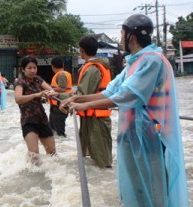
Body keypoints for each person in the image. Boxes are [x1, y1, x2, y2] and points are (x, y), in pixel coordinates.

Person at [60, 14, 189, 207]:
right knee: (136, 188)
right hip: (132, 134)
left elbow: (129, 95)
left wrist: (83, 105)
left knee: (152, 189)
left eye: (122, 33)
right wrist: (77, 98)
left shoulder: (153, 60)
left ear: (132, 36)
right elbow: (111, 91)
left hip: (149, 136)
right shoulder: (133, 62)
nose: (120, 38)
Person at [51, 35, 113, 168]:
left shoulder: (92, 69)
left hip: (96, 118)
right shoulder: (95, 66)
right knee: (88, 158)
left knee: (101, 159)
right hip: (91, 115)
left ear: (81, 50)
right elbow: (83, 93)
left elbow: (84, 95)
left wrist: (60, 97)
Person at [14, 56, 56, 165]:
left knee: (53, 154)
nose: (33, 70)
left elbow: (51, 91)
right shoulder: (20, 82)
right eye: (29, 68)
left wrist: (49, 94)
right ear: (23, 69)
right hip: (28, 121)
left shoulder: (38, 79)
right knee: (34, 156)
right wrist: (36, 95)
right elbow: (18, 99)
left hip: (42, 119)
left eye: (35, 67)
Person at [48, 56, 72, 138]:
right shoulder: (62, 74)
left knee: (60, 133)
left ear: (52, 66)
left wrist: (50, 91)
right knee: (52, 130)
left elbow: (63, 88)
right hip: (56, 106)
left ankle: (63, 147)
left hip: (60, 106)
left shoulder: (61, 75)